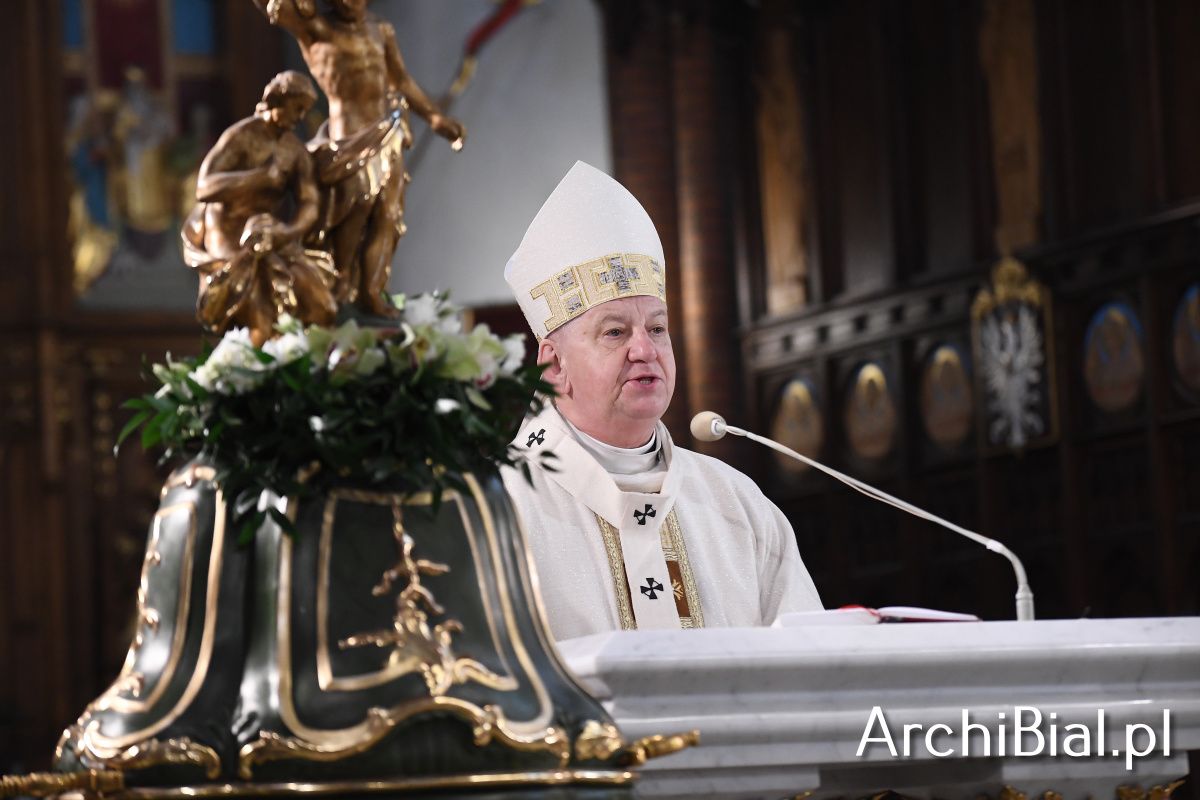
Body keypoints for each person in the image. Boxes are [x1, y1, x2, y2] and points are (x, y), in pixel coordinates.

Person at [501, 161, 823, 641]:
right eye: (615, 332)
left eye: (656, 328)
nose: (645, 350)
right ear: (554, 366)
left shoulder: (736, 503)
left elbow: (812, 662)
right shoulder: (501, 506)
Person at [250, 0, 466, 316]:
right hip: (346, 142)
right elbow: (275, 6)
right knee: (353, 217)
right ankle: (342, 286)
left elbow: (401, 80)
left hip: (386, 134)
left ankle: (372, 292)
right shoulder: (316, 29)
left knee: (388, 217)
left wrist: (435, 118)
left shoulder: (381, 30)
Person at [181, 71, 337, 345]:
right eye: (297, 107)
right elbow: (204, 187)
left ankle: (305, 370)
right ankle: (255, 372)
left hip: (270, 235)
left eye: (305, 110)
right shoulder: (242, 136)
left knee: (320, 302)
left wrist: (287, 232)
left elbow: (309, 204)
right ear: (277, 99)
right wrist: (258, 178)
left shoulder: (295, 150)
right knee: (254, 305)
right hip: (227, 231)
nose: (301, 117)